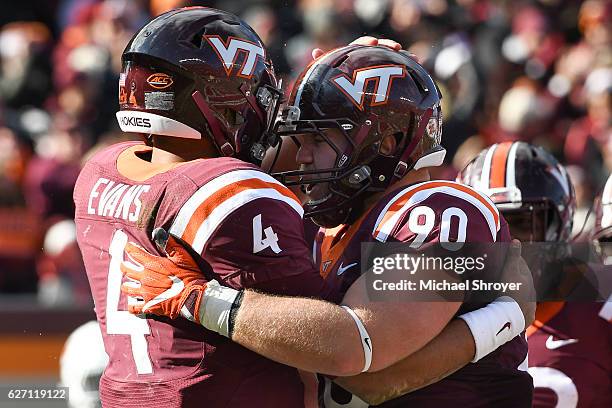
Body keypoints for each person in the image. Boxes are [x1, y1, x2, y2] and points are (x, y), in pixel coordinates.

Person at [74, 6, 525, 408]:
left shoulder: (441, 210)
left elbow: (362, 377)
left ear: (385, 143)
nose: (300, 154)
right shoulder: (327, 218)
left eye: (317, 139)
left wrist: (202, 300)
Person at [458, 141, 612, 407]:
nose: (505, 241)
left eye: (519, 223)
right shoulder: (439, 316)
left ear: (557, 228)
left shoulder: (602, 309)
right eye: (487, 225)